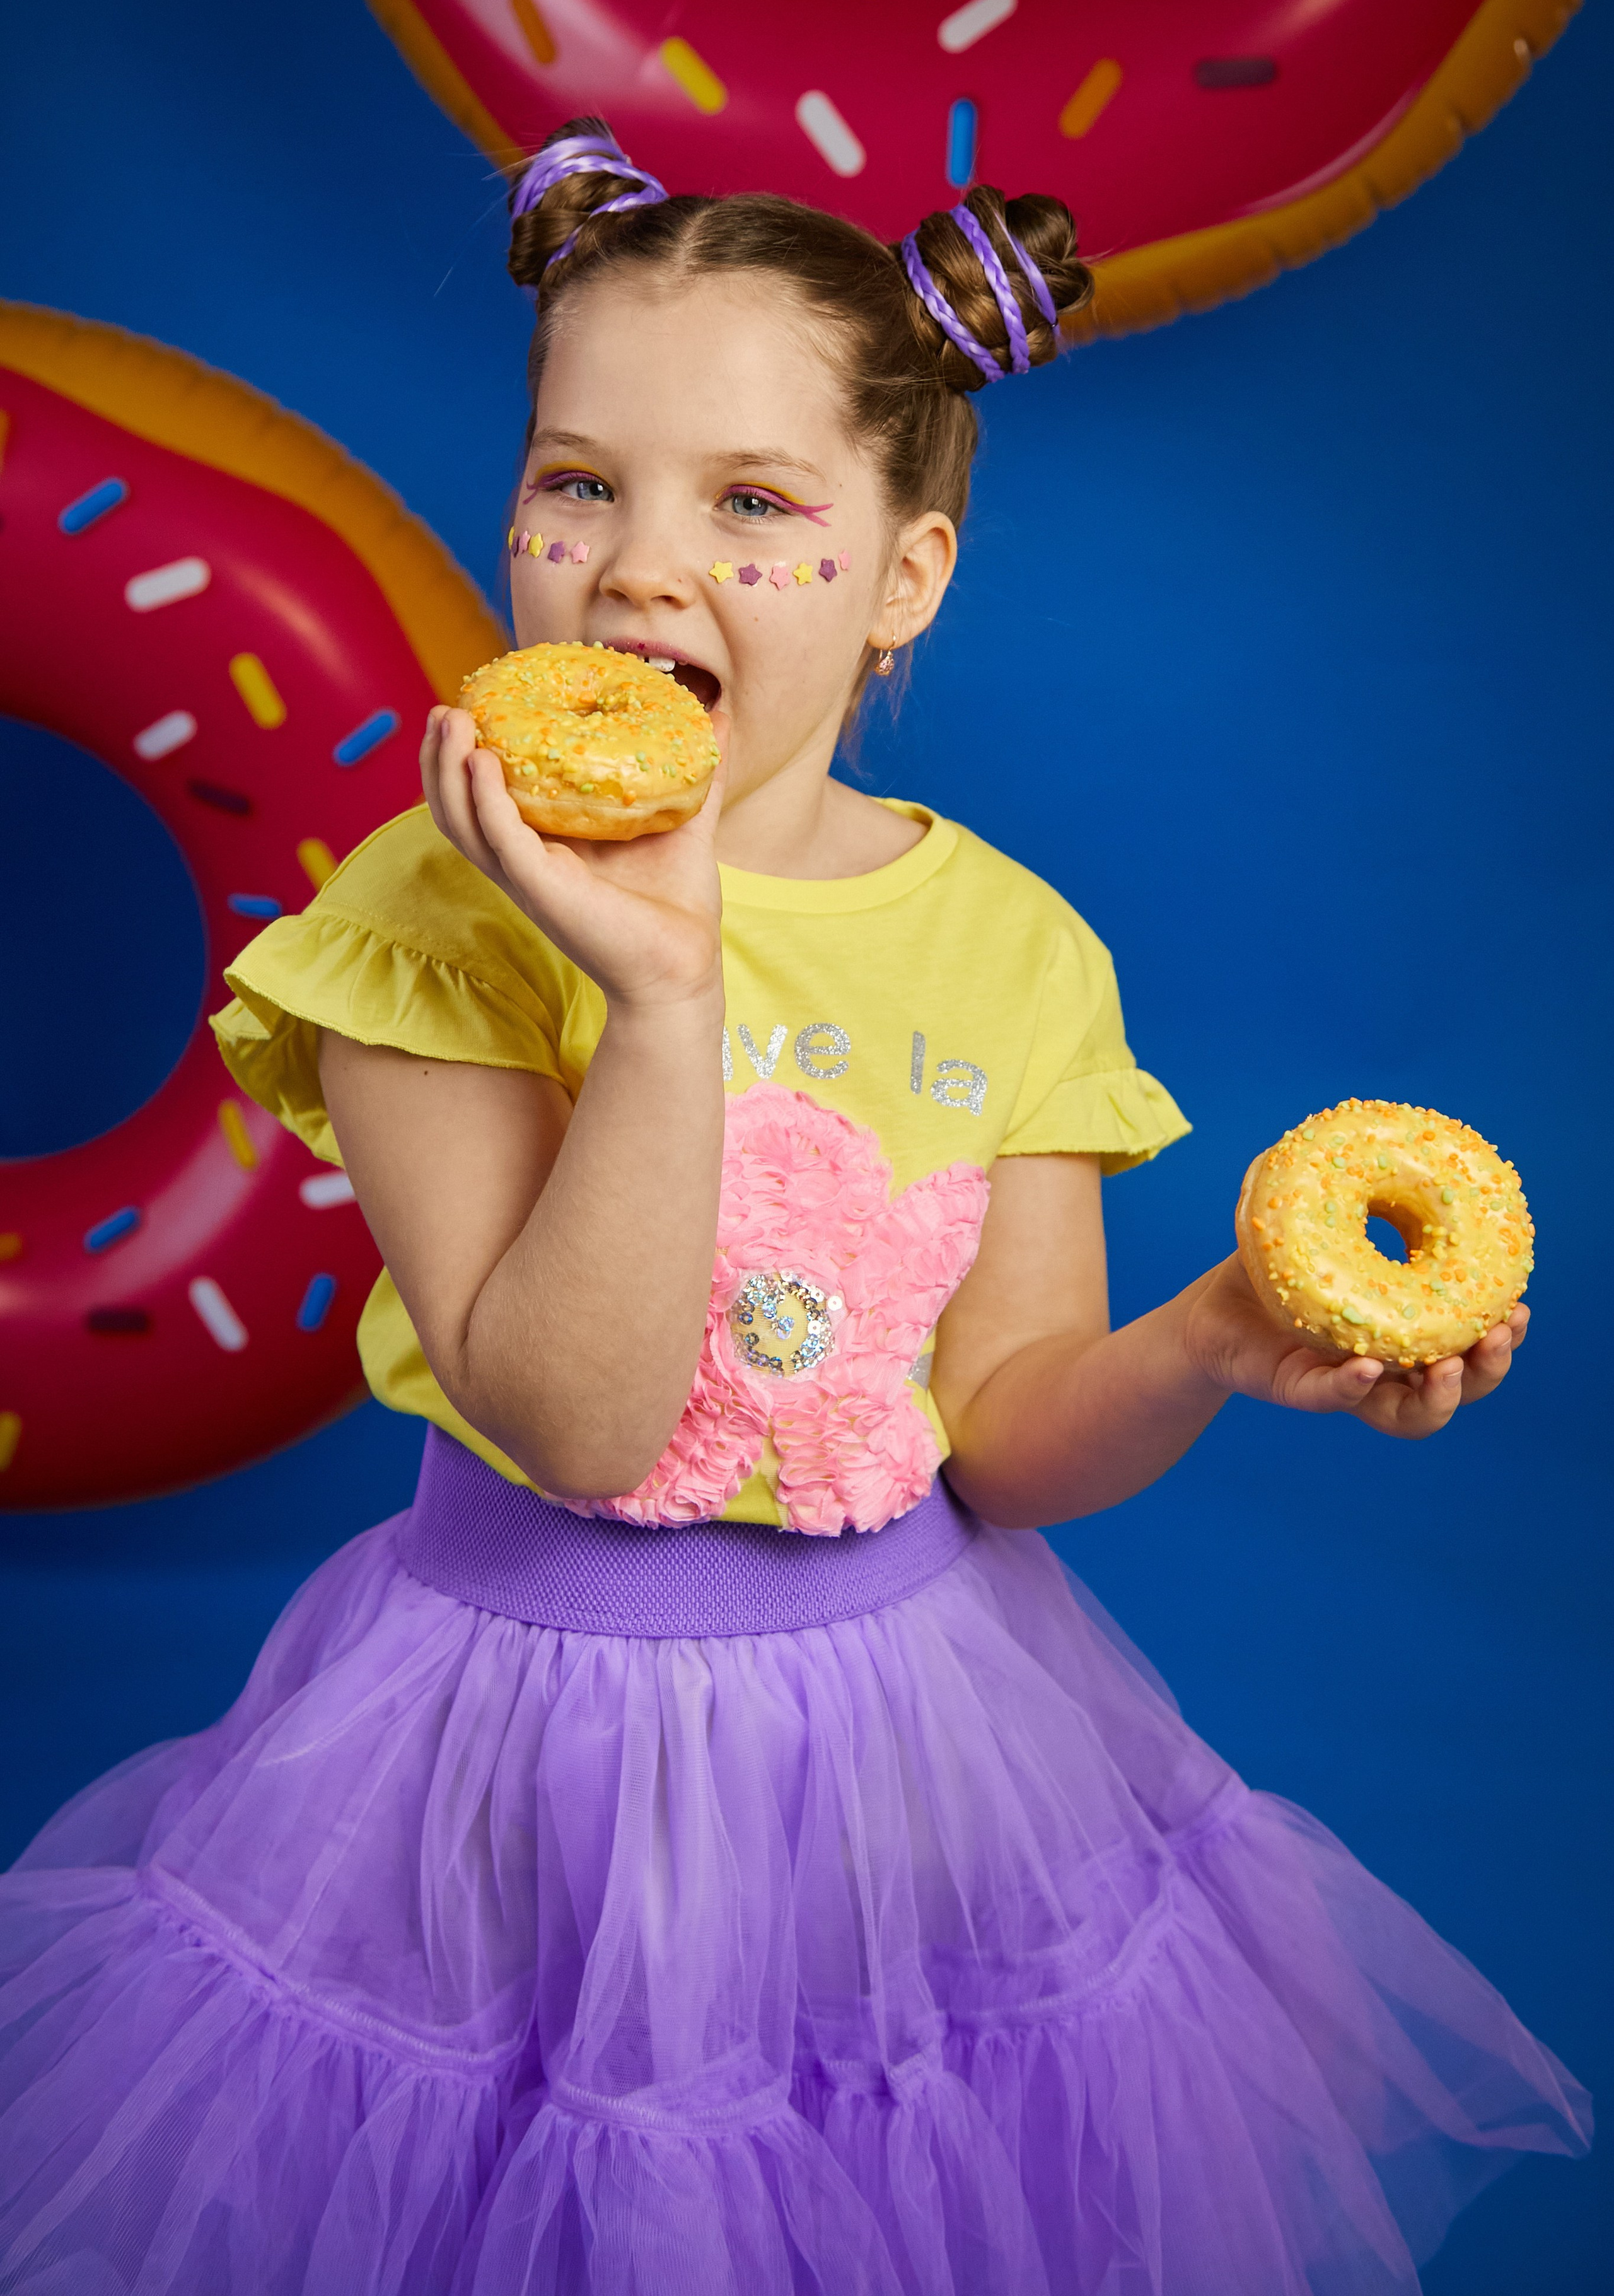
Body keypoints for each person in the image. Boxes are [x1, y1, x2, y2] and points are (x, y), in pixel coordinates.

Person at [0, 122, 1588, 2294]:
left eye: (751, 504)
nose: (640, 568)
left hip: (911, 1752)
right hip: (507, 1751)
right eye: (581, 482)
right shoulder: (428, 922)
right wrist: (660, 998)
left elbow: (1011, 1434)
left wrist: (1213, 1334)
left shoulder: (1014, 951)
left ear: (901, 573)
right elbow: (569, 1417)